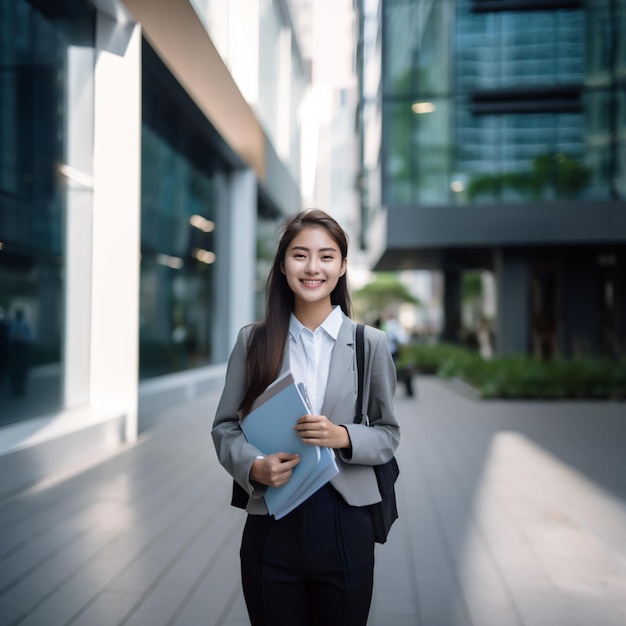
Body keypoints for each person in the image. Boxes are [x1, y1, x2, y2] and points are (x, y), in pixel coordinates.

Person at [212, 209, 400, 626]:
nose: (313, 267)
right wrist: (254, 466)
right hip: (271, 525)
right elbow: (224, 426)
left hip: (345, 523)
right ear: (282, 265)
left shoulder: (370, 344)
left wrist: (343, 436)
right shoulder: (254, 341)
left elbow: (389, 434)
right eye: (300, 255)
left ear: (343, 266)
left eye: (326, 256)